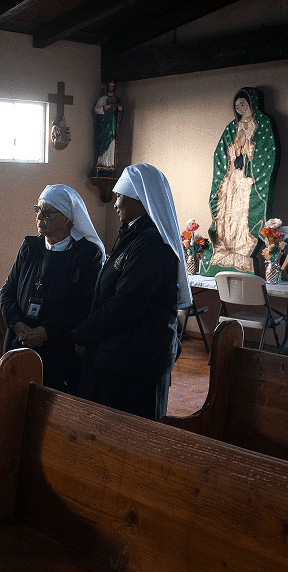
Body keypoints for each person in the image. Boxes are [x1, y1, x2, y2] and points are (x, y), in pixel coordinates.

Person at [72, 164, 191, 421]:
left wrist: (82, 334)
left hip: (137, 361)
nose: (115, 204)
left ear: (139, 198)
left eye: (119, 196)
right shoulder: (135, 235)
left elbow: (126, 304)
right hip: (124, 356)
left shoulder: (151, 243)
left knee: (130, 437)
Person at [0, 185, 104, 394]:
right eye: (37, 210)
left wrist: (46, 331)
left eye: (47, 212)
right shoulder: (30, 246)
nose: (39, 216)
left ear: (67, 218)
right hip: (20, 342)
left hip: (60, 348)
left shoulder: (86, 254)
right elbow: (8, 290)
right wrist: (17, 324)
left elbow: (85, 305)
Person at [202, 87, 278, 275]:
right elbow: (221, 153)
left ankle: (241, 249)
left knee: (241, 213)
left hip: (245, 178)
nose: (240, 109)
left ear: (252, 104)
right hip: (231, 177)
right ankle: (223, 250)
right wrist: (233, 154)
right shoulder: (231, 128)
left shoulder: (262, 125)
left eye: (243, 104)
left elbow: (265, 152)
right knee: (226, 212)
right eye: (237, 106)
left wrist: (247, 155)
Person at [93, 80, 122, 174]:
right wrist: (105, 108)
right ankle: (102, 162)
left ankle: (110, 163)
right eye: (109, 86)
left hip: (113, 125)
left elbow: (120, 113)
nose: (111, 88)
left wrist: (119, 109)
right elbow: (96, 110)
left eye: (112, 86)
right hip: (104, 125)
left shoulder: (117, 99)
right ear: (107, 87)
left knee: (112, 143)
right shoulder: (102, 99)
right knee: (103, 143)